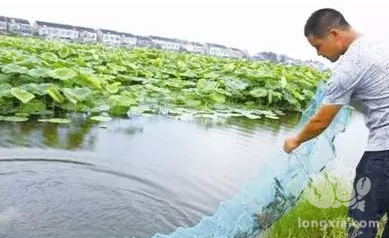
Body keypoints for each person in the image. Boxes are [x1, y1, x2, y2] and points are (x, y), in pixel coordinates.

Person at [283, 8, 389, 238]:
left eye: (318, 46)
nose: (319, 54)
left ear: (334, 34)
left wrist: (295, 140)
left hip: (384, 154)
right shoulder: (380, 44)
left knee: (361, 223)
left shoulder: (350, 66)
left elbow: (321, 121)